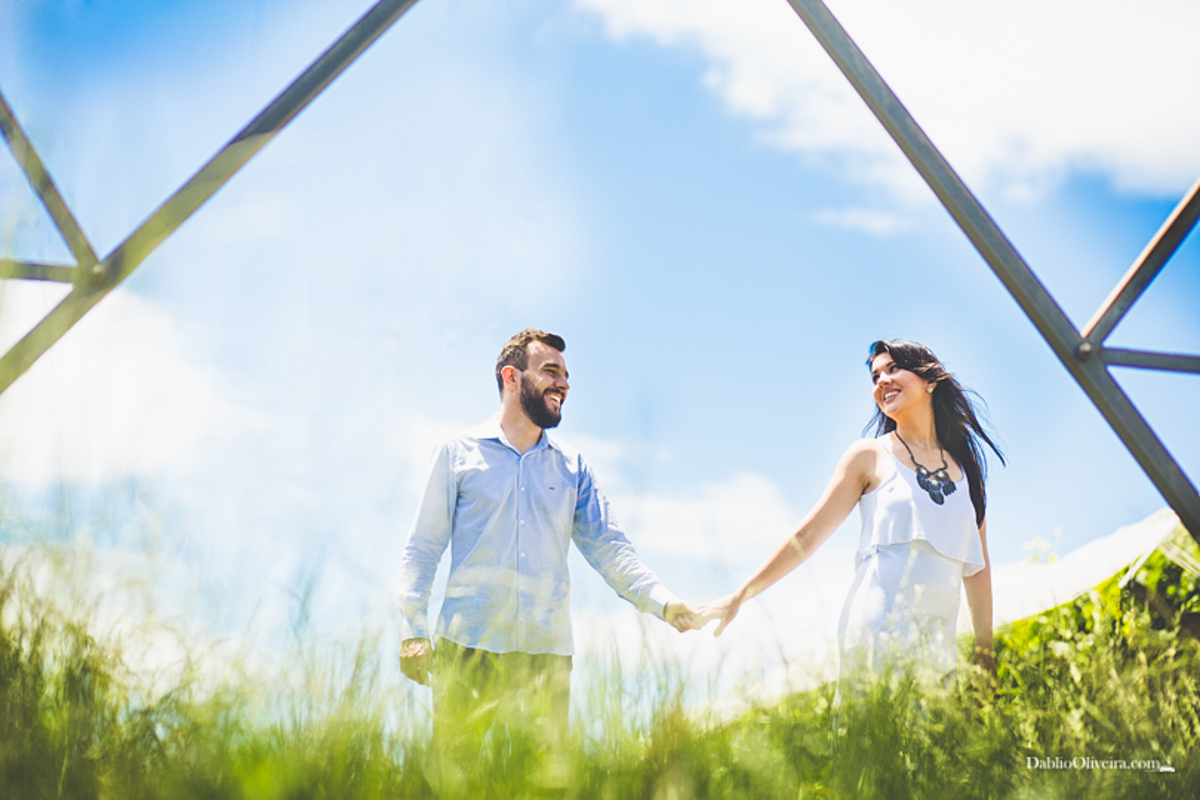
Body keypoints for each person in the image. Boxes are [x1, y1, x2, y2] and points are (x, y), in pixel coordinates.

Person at [398, 328, 696, 766]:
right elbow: (423, 548)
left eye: (566, 376)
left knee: (541, 785)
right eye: (551, 371)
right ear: (511, 377)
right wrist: (413, 631)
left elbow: (611, 549)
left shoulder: (572, 466)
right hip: (468, 650)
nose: (563, 384)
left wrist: (664, 603)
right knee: (452, 781)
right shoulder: (457, 454)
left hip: (546, 657)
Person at [696, 339, 1003, 687]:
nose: (882, 381)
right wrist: (740, 596)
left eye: (893, 369)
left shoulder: (966, 469)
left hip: (939, 643)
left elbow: (978, 566)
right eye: (875, 377)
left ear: (930, 380)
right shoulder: (868, 456)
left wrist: (985, 648)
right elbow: (807, 537)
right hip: (877, 631)